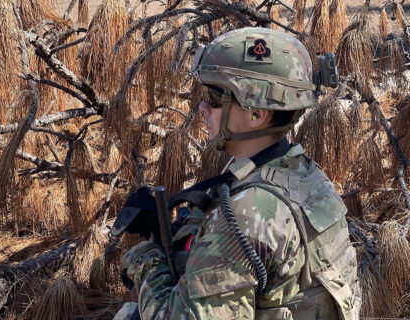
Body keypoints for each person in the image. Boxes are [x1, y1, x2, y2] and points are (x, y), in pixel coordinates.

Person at [117, 27, 361, 320]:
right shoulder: (301, 171)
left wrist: (146, 259)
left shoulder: (245, 214)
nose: (202, 107)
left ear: (256, 114)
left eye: (213, 95)